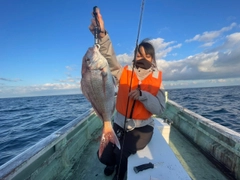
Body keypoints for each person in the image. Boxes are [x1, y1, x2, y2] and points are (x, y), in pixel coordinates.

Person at [89, 8, 166, 180]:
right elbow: (109, 57)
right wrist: (102, 35)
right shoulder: (123, 71)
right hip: (119, 123)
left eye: (147, 55)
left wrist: (143, 96)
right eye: (139, 53)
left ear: (152, 59)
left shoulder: (157, 78)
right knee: (103, 156)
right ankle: (111, 161)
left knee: (123, 152)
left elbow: (160, 108)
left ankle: (119, 174)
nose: (142, 57)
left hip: (142, 128)